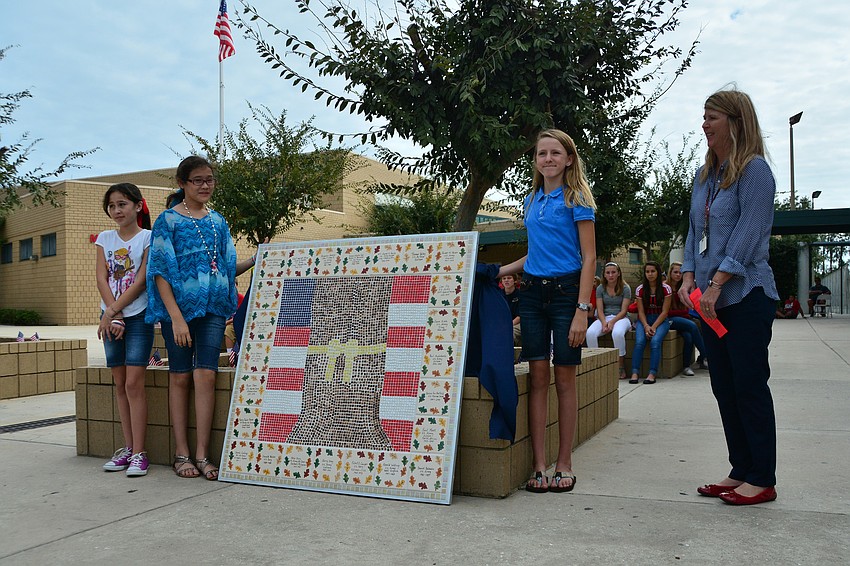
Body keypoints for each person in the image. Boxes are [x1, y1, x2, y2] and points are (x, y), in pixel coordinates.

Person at [678, 88, 780, 506]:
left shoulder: (755, 172)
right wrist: (687, 278)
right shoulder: (705, 177)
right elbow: (692, 232)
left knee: (749, 384)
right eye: (704, 117)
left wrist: (717, 283)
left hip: (745, 295)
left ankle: (762, 477)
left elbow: (748, 232)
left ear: (735, 123)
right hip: (706, 300)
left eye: (712, 117)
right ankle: (741, 469)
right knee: (723, 385)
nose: (704, 125)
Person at [146, 156, 258, 480]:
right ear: (182, 184)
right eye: (197, 180)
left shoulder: (218, 222)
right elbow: (160, 273)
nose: (205, 185)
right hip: (177, 314)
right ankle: (181, 453)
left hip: (212, 310)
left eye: (209, 179)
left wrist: (254, 259)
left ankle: (203, 454)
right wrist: (177, 319)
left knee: (205, 375)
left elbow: (225, 268)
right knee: (179, 376)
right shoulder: (167, 221)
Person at [498, 129, 596, 494]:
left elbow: (589, 258)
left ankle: (564, 463)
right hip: (533, 294)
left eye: (556, 152)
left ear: (569, 158)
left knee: (564, 379)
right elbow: (535, 254)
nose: (549, 159)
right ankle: (539, 465)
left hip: (567, 293)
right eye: (542, 153)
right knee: (537, 377)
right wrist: (500, 270)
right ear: (536, 160)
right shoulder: (532, 198)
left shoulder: (578, 198)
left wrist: (581, 310)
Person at [96, 183, 154, 477]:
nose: (117, 210)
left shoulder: (148, 237)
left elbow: (141, 280)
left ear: (138, 205)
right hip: (110, 319)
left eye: (123, 204)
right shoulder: (105, 238)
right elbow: (101, 278)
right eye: (112, 206)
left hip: (137, 317)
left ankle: (140, 453)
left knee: (134, 384)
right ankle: (128, 449)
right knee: (119, 384)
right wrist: (110, 314)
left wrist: (116, 312)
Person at [586, 262, 631, 380]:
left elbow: (624, 310)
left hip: (621, 318)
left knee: (617, 333)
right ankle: (596, 364)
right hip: (604, 317)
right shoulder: (600, 288)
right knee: (590, 333)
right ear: (604, 275)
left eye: (613, 272)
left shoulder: (625, 288)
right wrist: (604, 322)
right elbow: (599, 309)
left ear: (618, 273)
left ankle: (620, 366)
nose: (611, 275)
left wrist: (612, 323)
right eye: (608, 273)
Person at [629, 261, 671, 384]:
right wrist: (646, 326)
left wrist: (653, 327)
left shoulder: (665, 289)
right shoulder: (640, 289)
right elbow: (640, 311)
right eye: (647, 271)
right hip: (645, 319)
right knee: (639, 342)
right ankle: (635, 372)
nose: (650, 274)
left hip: (660, 320)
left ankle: (652, 373)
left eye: (653, 271)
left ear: (658, 272)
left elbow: (664, 312)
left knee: (655, 341)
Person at [667, 261, 708, 376]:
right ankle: (707, 355)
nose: (678, 275)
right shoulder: (665, 287)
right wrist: (683, 314)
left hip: (681, 320)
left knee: (689, 337)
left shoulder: (684, 288)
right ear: (670, 273)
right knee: (692, 325)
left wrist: (683, 313)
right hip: (668, 320)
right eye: (675, 272)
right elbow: (668, 312)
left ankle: (686, 366)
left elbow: (687, 309)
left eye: (681, 273)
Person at [500, 274, 522, 346]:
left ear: (515, 281)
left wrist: (507, 325)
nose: (506, 280)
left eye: (509, 278)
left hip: (517, 323)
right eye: (504, 278)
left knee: (509, 333)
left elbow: (520, 316)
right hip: (501, 323)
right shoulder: (498, 295)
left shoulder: (520, 294)